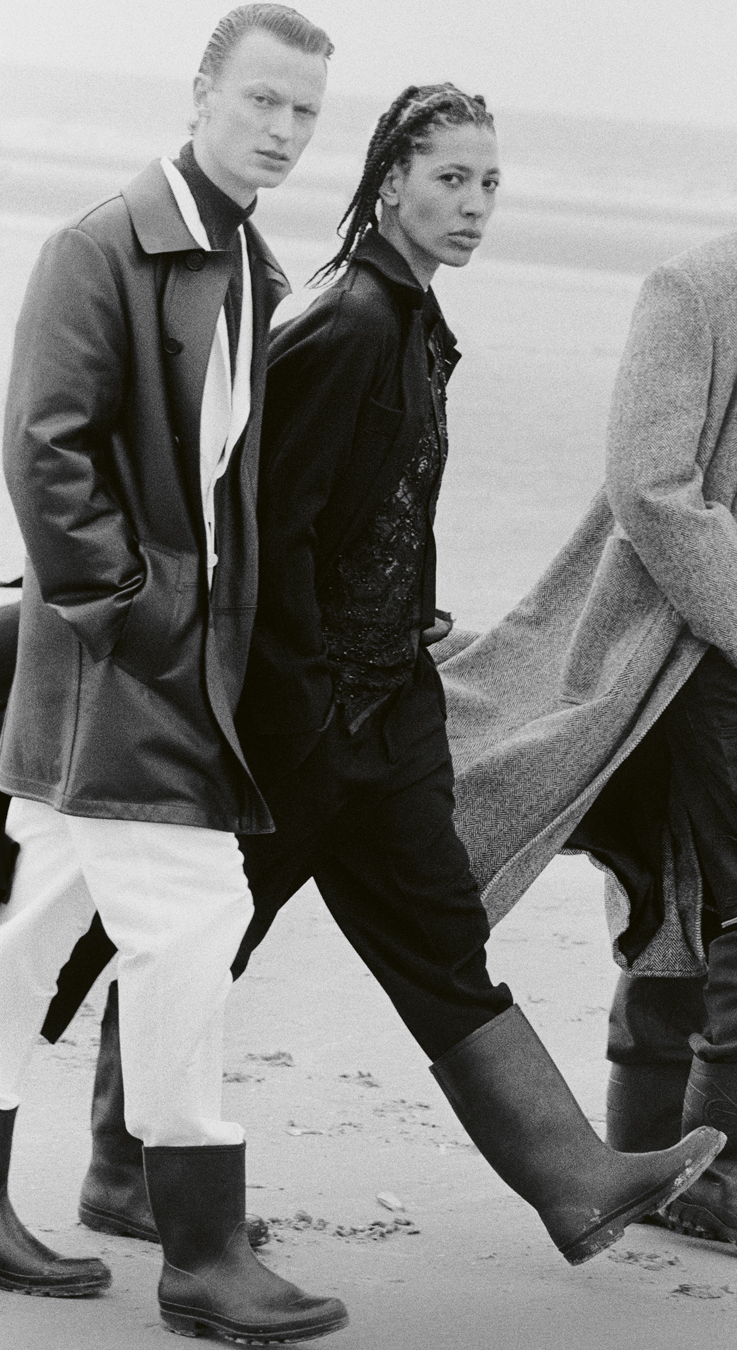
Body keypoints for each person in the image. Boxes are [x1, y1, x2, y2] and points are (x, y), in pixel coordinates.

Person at [38, 83, 724, 1271]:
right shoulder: (349, 318)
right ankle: (119, 1167)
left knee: (434, 934)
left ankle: (572, 1183)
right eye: (451, 178)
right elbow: (271, 534)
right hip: (305, 724)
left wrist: (408, 643)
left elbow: (376, 519)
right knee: (206, 940)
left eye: (491, 183)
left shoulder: (406, 315)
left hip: (382, 708)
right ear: (391, 177)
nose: (474, 204)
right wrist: (298, 716)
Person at [423, 52, 737, 1269]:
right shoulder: (701, 284)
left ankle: (645, 1150)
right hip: (702, 642)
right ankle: (730, 1168)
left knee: (681, 896)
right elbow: (649, 488)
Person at [0, 6, 350, 1342]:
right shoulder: (102, 244)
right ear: (200, 91)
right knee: (195, 919)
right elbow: (45, 452)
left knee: (30, 934)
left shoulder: (244, 257)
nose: (281, 128)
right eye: (261, 99)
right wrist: (138, 616)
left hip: (159, 666)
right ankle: (199, 1248)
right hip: (119, 669)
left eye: (304, 112)